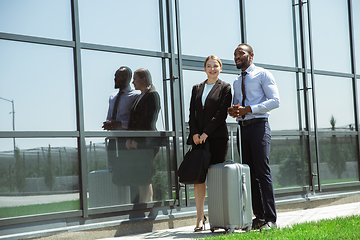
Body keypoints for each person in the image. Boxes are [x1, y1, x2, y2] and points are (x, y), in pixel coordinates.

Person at [228, 43, 280, 230]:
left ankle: (271, 219)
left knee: (262, 171)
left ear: (251, 55)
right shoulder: (236, 81)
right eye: (235, 54)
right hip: (244, 128)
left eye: (240, 53)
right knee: (250, 174)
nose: (237, 56)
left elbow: (275, 101)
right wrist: (233, 110)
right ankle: (259, 218)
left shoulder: (263, 74)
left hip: (259, 127)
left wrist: (249, 109)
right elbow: (237, 105)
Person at [187, 55, 232, 232]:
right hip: (198, 140)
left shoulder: (225, 88)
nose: (212, 69)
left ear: (220, 68)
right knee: (199, 179)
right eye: (208, 66)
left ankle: (218, 216)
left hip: (217, 139)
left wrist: (206, 133)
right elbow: (192, 114)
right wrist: (196, 134)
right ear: (204, 69)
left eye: (215, 66)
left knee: (215, 178)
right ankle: (199, 218)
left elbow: (221, 114)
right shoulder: (196, 88)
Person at [126, 68, 161, 203]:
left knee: (144, 177)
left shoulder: (152, 95)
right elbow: (133, 119)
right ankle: (147, 205)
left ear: (143, 79)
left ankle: (144, 205)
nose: (133, 82)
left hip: (147, 142)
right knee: (142, 177)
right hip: (137, 141)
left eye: (135, 79)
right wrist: (129, 138)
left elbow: (148, 119)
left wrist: (138, 141)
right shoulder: (139, 97)